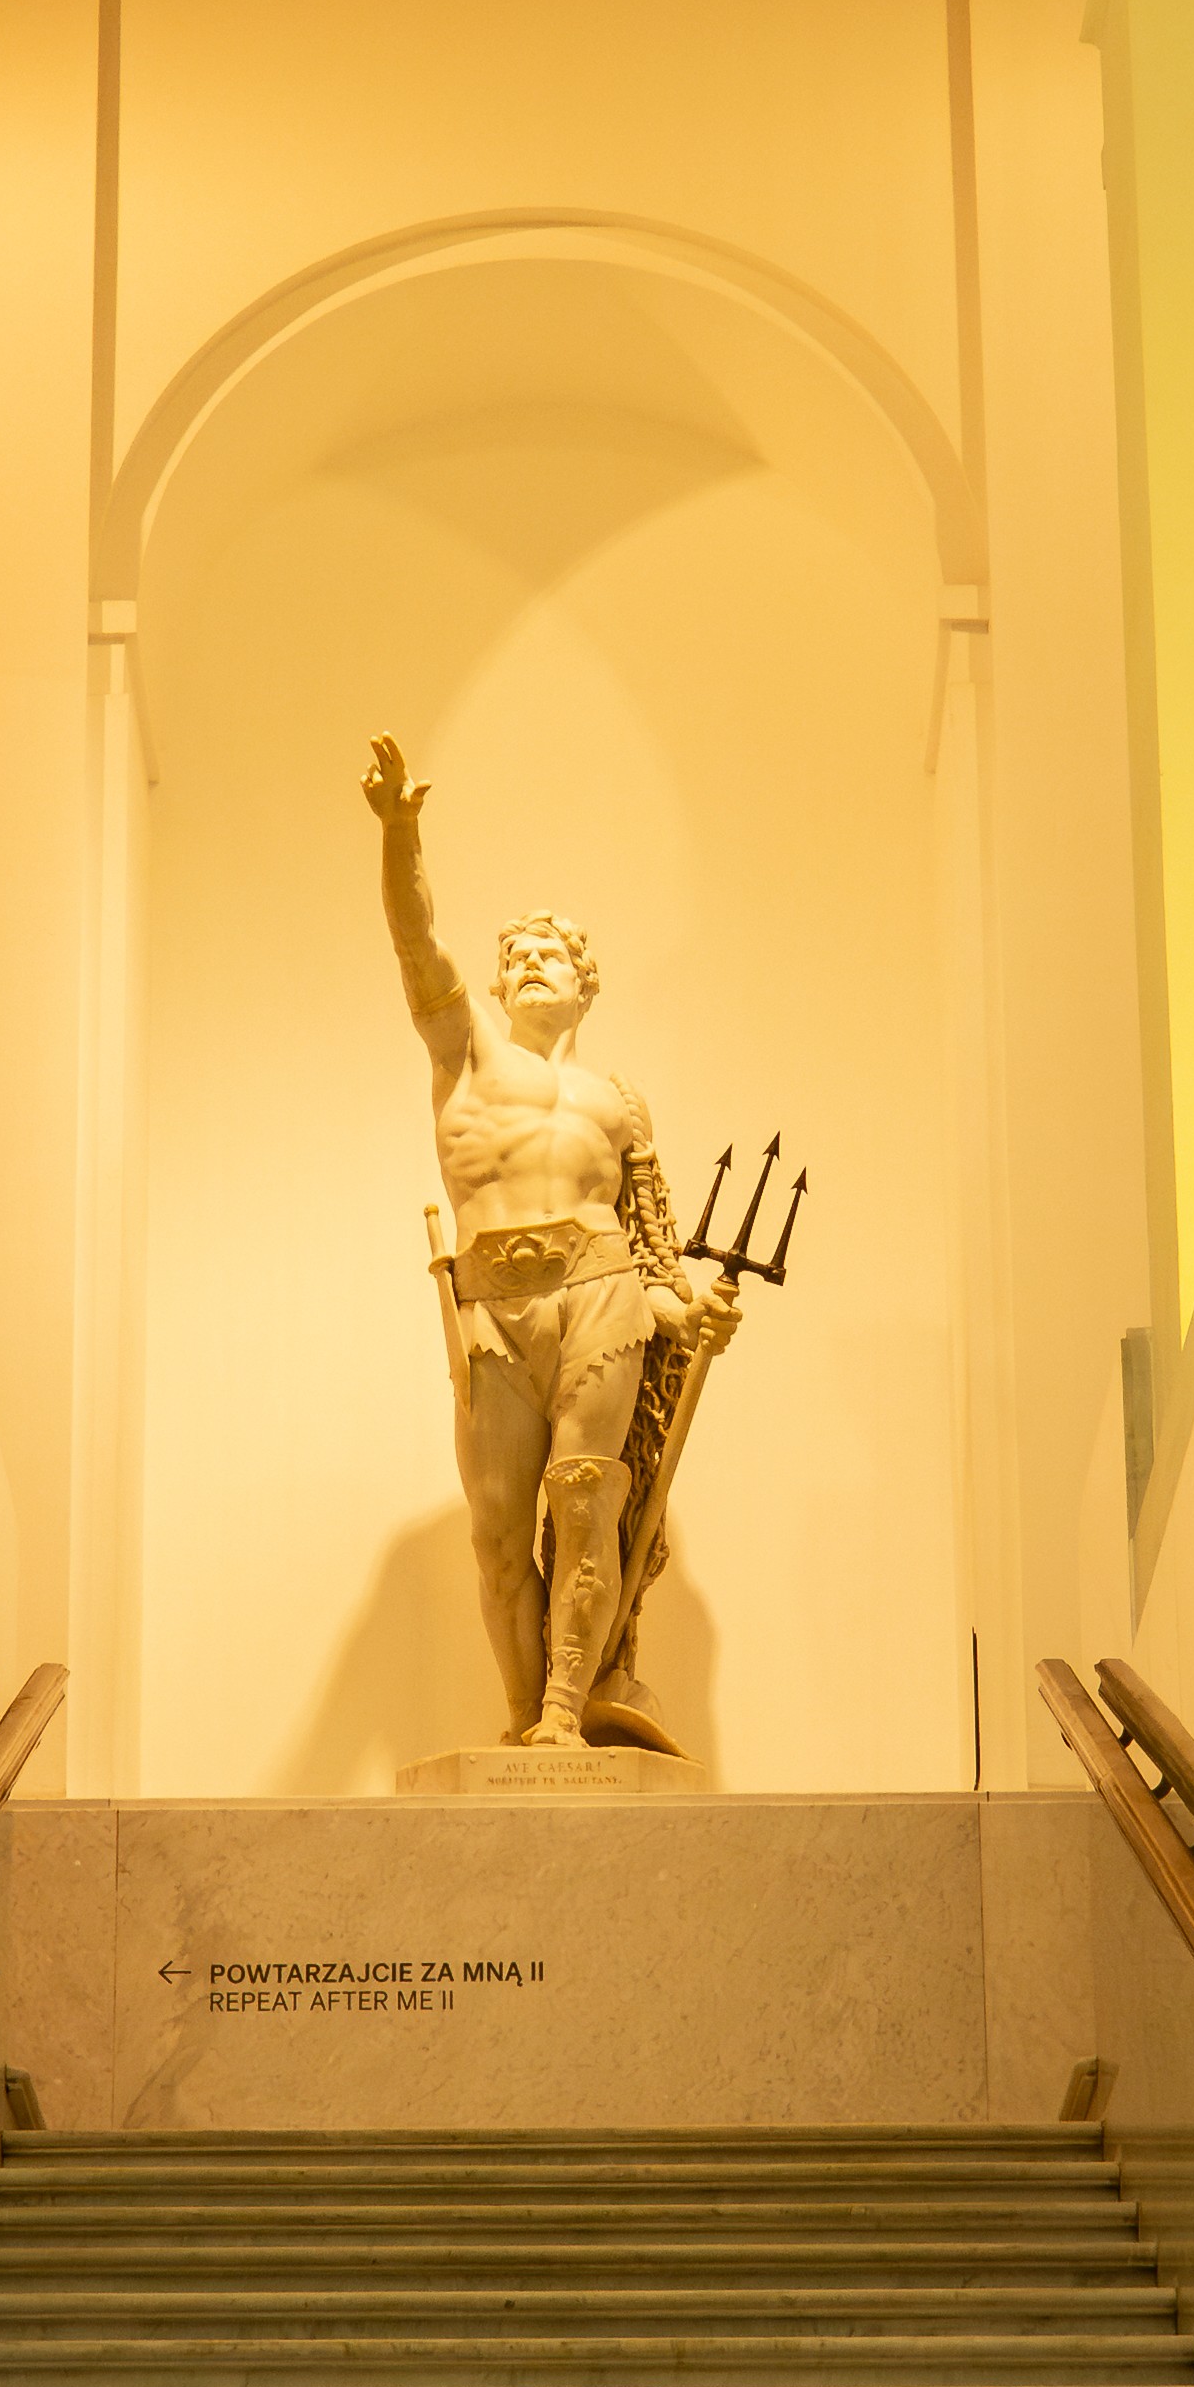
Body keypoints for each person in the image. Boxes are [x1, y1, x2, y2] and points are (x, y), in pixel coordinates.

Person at [363, 732, 738, 1746]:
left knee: (583, 1504)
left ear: (584, 984)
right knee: (494, 1538)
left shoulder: (619, 1103)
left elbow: (654, 1252)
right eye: (515, 954)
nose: (529, 963)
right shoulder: (467, 1050)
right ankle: (523, 1715)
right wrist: (399, 836)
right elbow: (414, 944)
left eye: (551, 955)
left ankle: (563, 1717)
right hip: (493, 1305)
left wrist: (686, 1308)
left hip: (602, 1296)